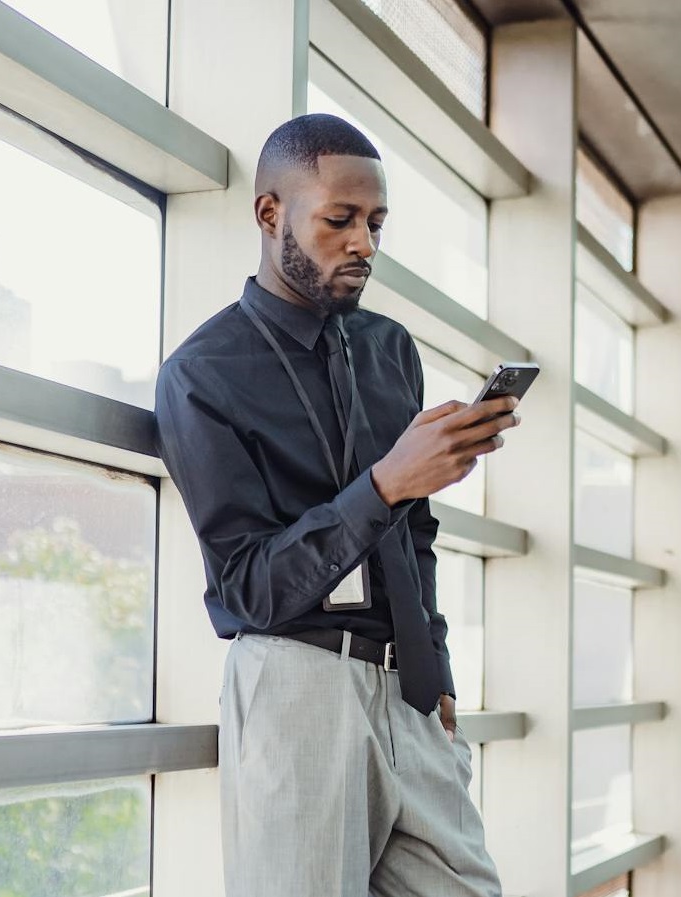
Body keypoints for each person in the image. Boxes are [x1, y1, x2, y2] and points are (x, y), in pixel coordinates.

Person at [154, 113, 518, 897]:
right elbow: (248, 587)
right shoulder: (201, 374)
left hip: (410, 692)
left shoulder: (390, 349)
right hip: (298, 689)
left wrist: (436, 662)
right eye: (340, 219)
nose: (364, 243)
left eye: (376, 223)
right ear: (269, 213)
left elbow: (414, 532)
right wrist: (387, 480)